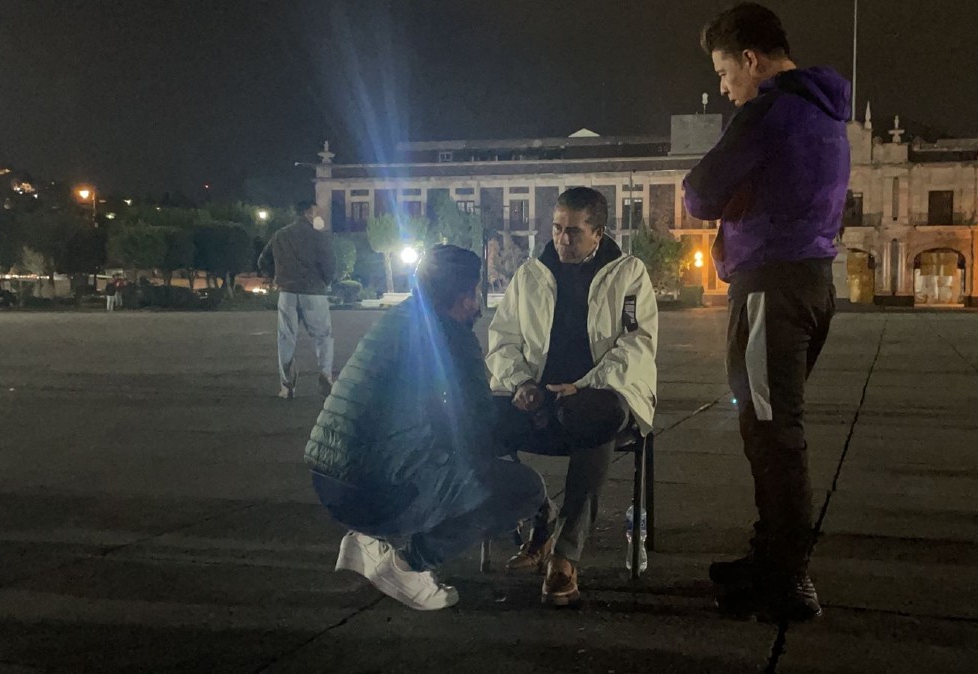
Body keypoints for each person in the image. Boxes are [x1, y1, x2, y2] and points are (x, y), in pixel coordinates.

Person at [683, 2, 851, 623]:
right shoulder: (825, 113)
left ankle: (788, 578)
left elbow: (699, 192)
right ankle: (770, 557)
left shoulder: (769, 110)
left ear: (751, 59)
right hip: (811, 283)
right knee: (771, 426)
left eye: (725, 74)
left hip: (768, 288)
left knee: (773, 433)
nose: (725, 91)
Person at [306, 245, 548, 611]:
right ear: (465, 296)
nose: (477, 304)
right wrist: (523, 414)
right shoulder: (452, 334)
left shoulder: (396, 320)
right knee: (523, 489)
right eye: (476, 292)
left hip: (327, 478)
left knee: (417, 451)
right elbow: (478, 429)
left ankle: (368, 540)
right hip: (378, 491)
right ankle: (410, 566)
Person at [487, 187, 658, 607]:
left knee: (596, 420)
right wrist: (521, 383)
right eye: (557, 229)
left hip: (595, 397)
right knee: (477, 419)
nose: (562, 239)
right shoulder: (530, 274)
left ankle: (565, 555)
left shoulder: (628, 274)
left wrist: (584, 385)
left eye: (574, 232)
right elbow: (502, 340)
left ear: (598, 233)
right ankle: (538, 516)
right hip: (541, 398)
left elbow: (636, 344)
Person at [257, 202, 336, 399]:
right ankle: (325, 374)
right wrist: (324, 281)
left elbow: (262, 260)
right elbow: (329, 263)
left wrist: (275, 277)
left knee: (286, 338)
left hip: (287, 292)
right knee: (323, 336)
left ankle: (287, 387)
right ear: (309, 213)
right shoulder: (319, 236)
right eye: (316, 212)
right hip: (314, 292)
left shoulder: (280, 235)